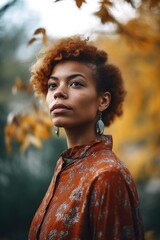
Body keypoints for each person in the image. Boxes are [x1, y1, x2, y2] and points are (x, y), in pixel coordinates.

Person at [28, 36, 144, 240]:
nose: (59, 93)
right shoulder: (65, 166)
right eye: (52, 85)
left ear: (103, 100)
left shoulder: (107, 175)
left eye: (75, 83)